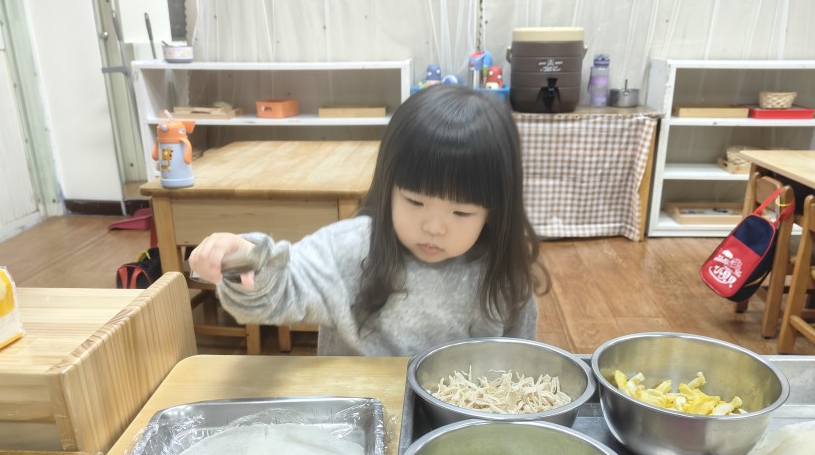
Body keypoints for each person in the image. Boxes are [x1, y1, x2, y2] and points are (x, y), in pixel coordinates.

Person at [188, 84, 549, 356]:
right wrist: (245, 259)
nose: (434, 227)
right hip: (356, 417)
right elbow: (274, 296)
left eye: (461, 213)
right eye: (414, 201)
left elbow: (518, 367)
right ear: (388, 188)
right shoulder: (347, 248)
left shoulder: (504, 274)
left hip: (457, 423)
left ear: (494, 211)